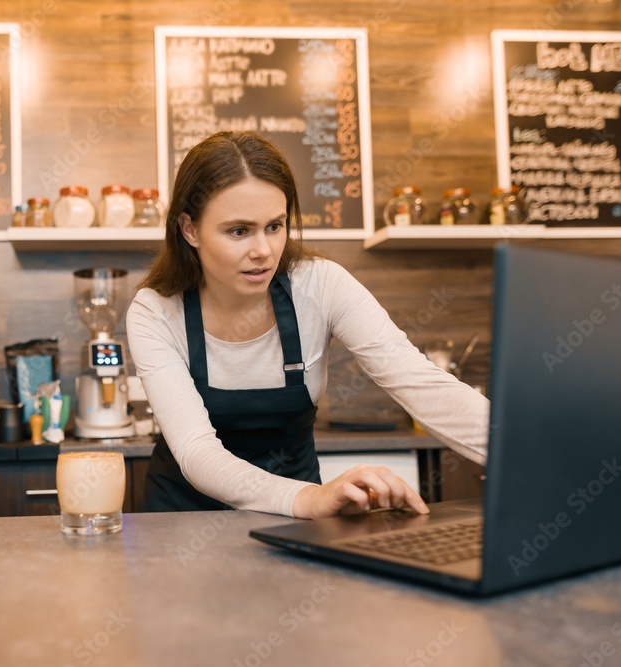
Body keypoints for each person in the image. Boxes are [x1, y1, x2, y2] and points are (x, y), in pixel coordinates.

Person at [126, 132, 489, 519]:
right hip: (184, 522)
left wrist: (526, 454)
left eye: (275, 226)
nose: (263, 251)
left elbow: (419, 381)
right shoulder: (156, 312)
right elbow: (197, 451)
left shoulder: (321, 285)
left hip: (296, 523)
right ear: (190, 229)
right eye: (239, 231)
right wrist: (307, 498)